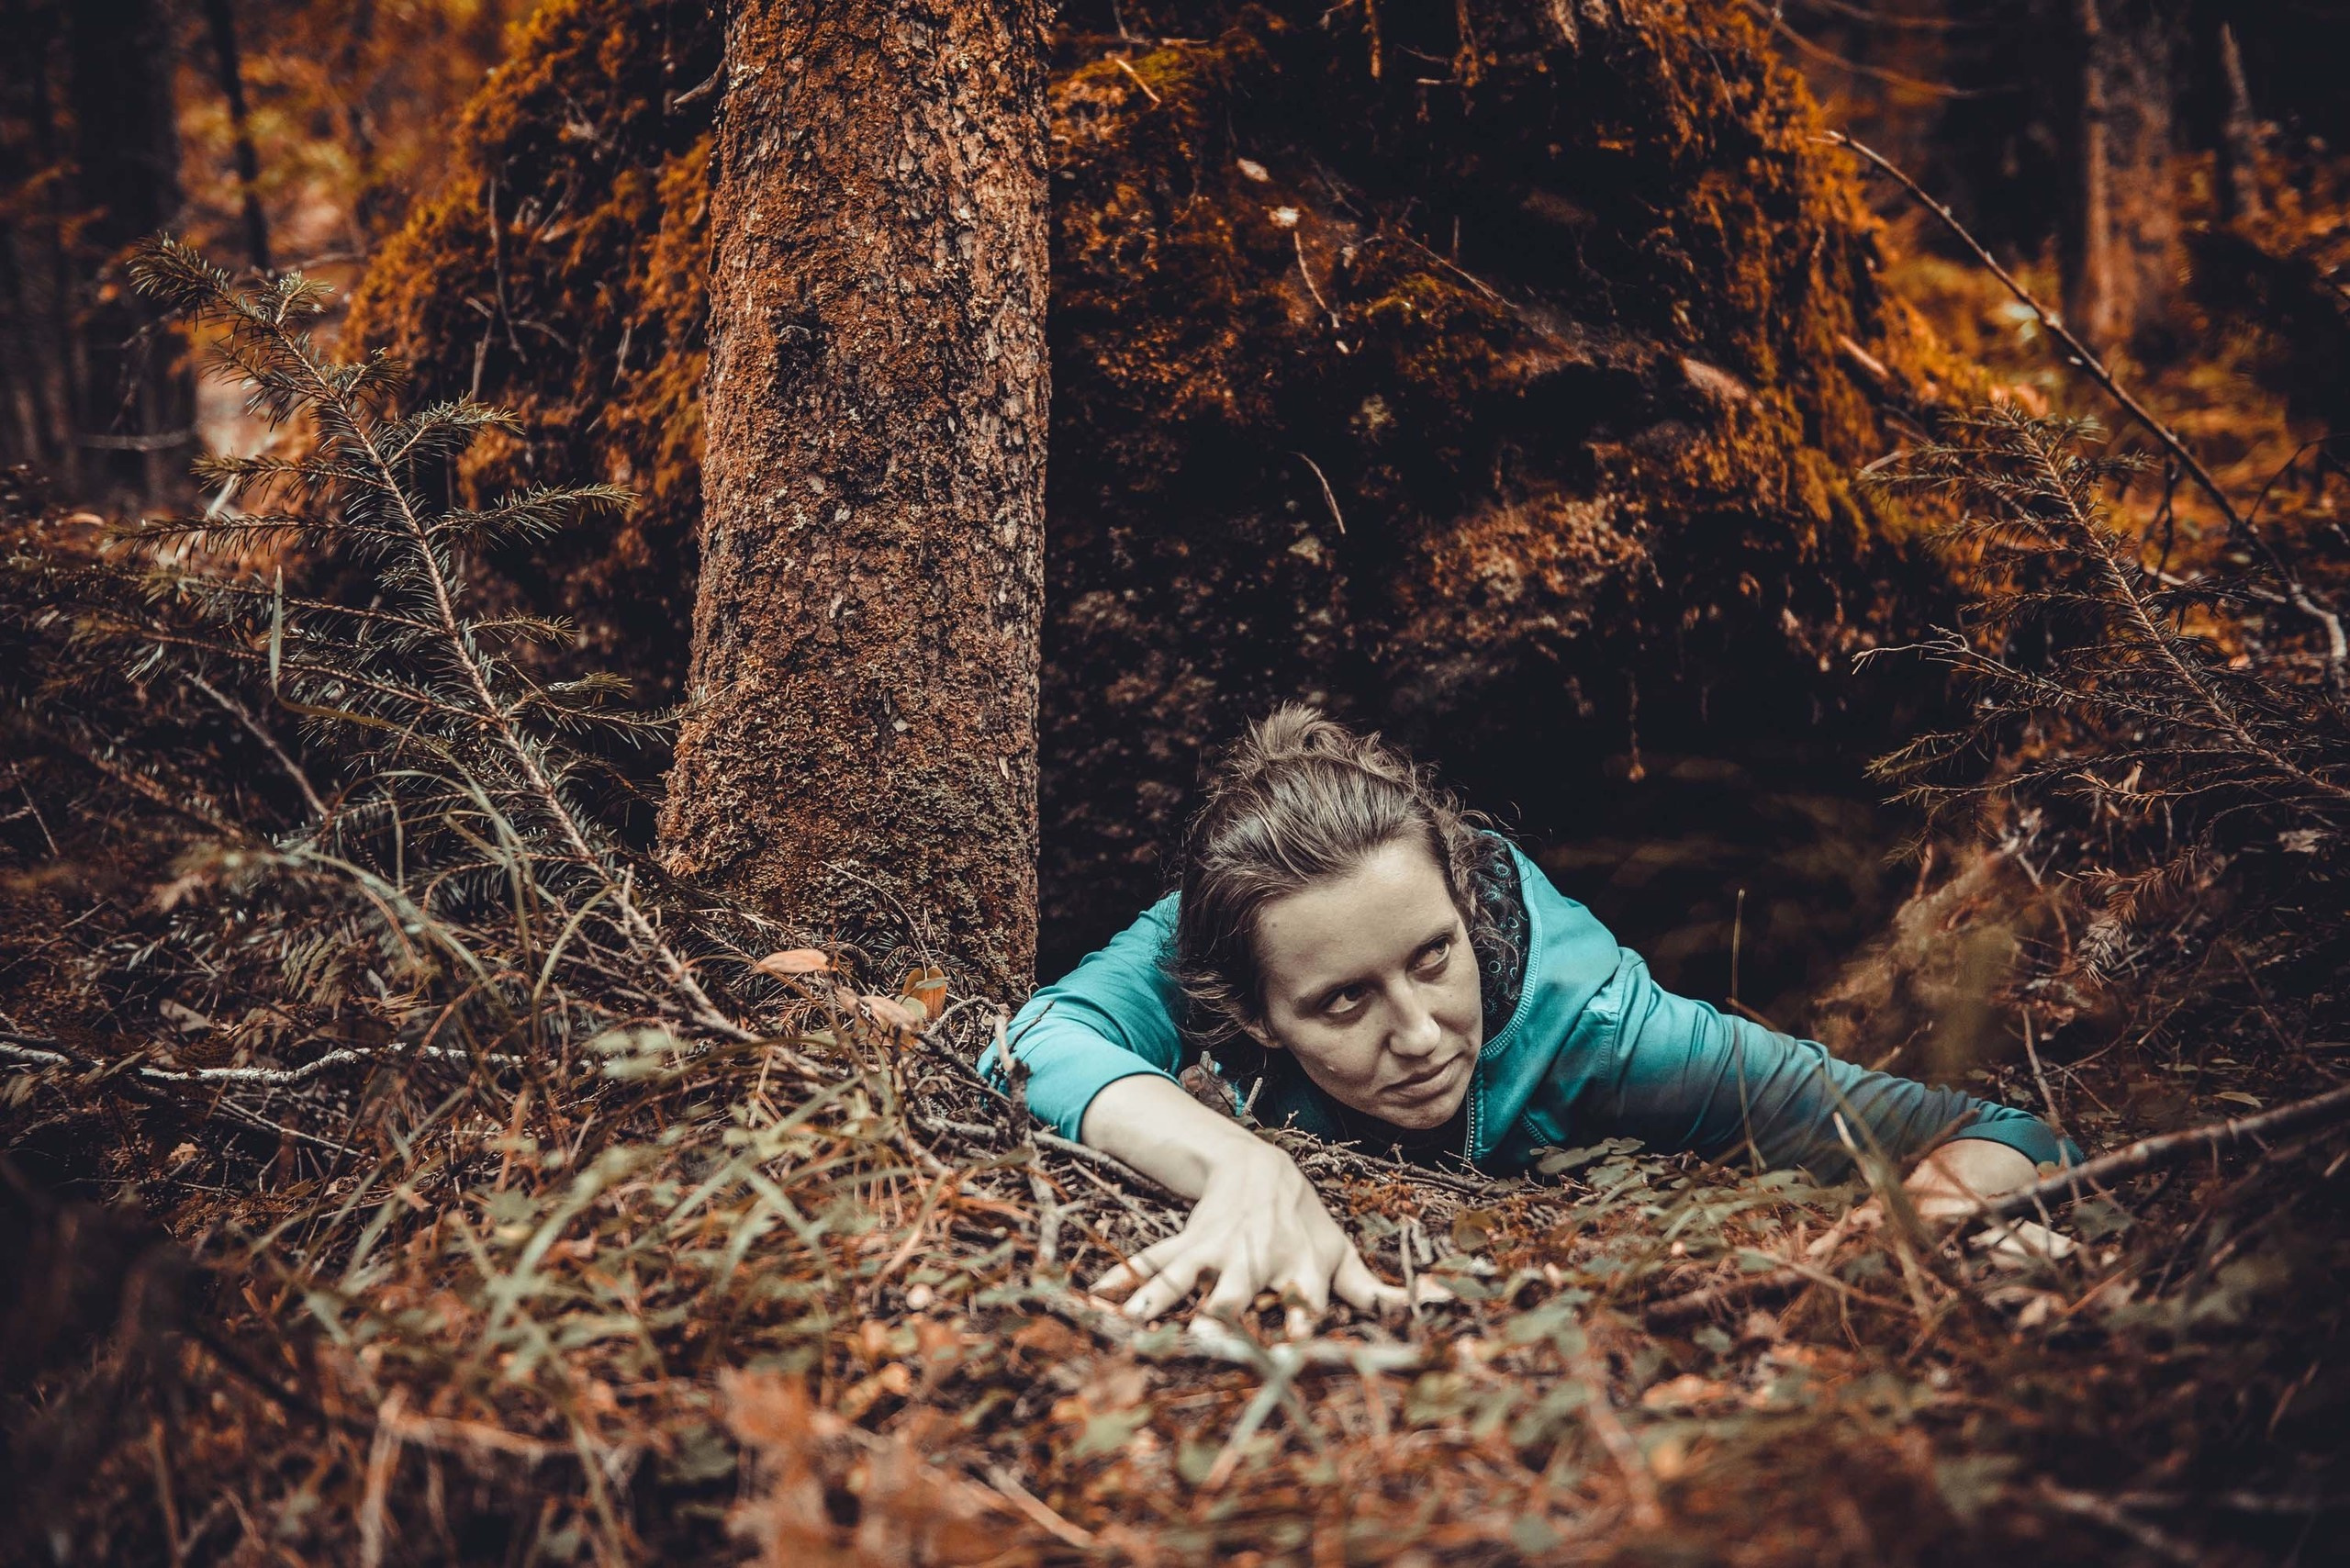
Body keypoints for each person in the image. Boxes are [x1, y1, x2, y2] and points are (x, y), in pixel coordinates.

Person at [985, 706, 2076, 1327]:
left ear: (1463, 906)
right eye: (1343, 1000)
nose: (1416, 1032)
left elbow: (2010, 1135)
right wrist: (1241, 1166)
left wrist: (1918, 1228)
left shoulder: (1609, 1032)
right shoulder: (1220, 932)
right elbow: (1032, 1040)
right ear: (1256, 1014)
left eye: (1432, 957)